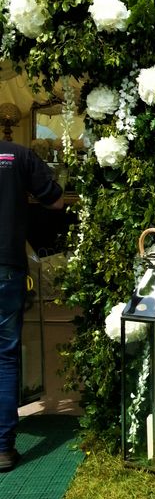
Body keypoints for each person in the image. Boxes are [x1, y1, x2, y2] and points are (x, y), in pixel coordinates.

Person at [0, 140, 64, 472]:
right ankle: (3, 448)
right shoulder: (16, 155)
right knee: (5, 356)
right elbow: (54, 200)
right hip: (7, 266)